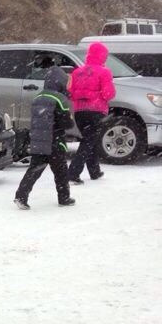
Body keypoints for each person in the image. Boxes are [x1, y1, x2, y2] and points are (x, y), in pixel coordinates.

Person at [14, 66, 75, 210]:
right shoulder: (60, 99)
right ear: (60, 82)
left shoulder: (38, 97)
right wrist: (69, 119)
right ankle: (64, 197)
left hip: (38, 141)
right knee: (60, 172)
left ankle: (21, 196)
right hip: (55, 141)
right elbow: (66, 123)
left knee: (34, 170)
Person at [67, 41, 116, 184]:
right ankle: (73, 172)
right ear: (101, 56)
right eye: (105, 56)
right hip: (96, 111)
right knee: (89, 141)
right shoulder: (104, 72)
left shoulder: (77, 72)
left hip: (79, 112)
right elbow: (108, 94)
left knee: (90, 139)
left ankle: (95, 171)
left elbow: (70, 92)